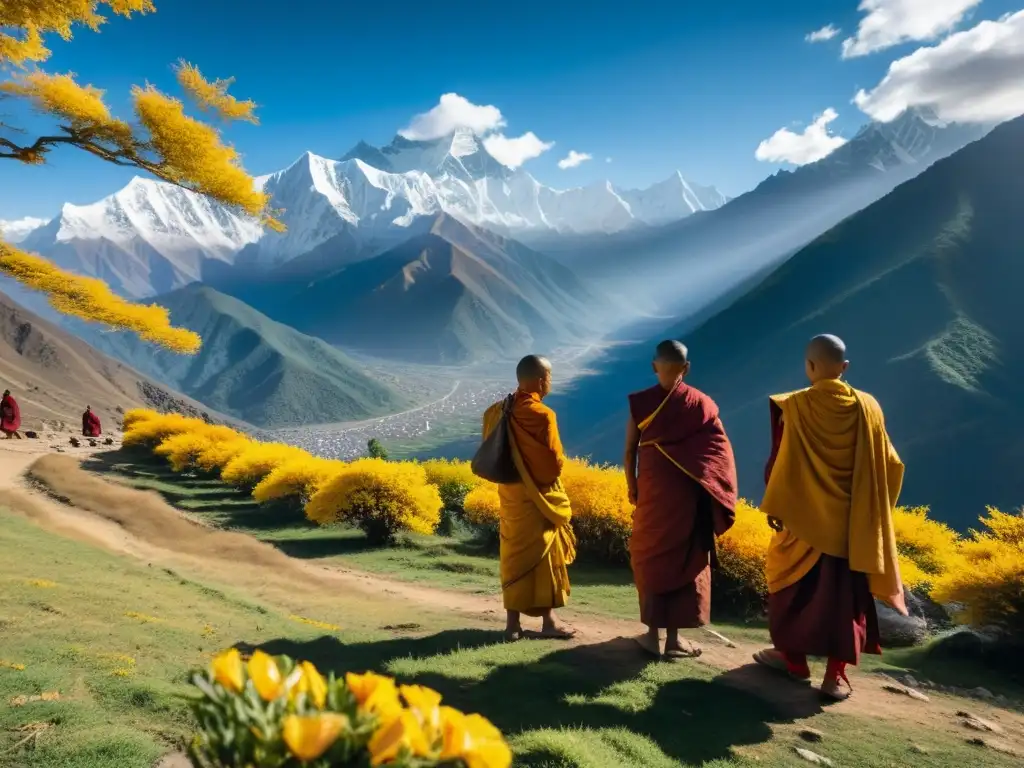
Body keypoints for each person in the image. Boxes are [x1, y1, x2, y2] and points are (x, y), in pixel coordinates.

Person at [753, 334, 906, 701]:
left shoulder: (796, 406)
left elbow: (781, 463)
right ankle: (834, 677)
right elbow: (892, 464)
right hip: (852, 529)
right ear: (845, 368)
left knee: (792, 589)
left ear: (809, 367)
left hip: (805, 523)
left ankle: (793, 661)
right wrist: (874, 510)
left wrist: (777, 506)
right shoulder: (869, 407)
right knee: (845, 601)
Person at [624, 340, 738, 659]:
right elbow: (719, 455)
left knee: (650, 556)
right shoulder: (700, 404)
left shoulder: (641, 403)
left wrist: (631, 485)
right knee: (681, 559)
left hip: (653, 494)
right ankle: (673, 640)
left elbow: (630, 449)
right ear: (686, 368)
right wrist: (713, 487)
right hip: (686, 496)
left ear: (653, 366)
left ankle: (652, 635)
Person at [482, 355, 577, 642]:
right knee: (543, 554)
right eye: (549, 376)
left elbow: (493, 454)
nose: (549, 382)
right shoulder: (542, 415)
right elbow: (552, 465)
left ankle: (513, 625)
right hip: (538, 496)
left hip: (510, 495)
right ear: (539, 380)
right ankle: (548, 621)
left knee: (513, 555)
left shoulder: (495, 411)